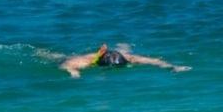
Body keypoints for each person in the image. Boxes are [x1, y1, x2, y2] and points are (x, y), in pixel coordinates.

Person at [60, 43, 190, 78]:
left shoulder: (129, 58)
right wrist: (74, 73)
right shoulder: (85, 61)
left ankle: (122, 45)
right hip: (89, 59)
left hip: (121, 55)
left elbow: (154, 61)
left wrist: (172, 67)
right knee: (58, 57)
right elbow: (67, 65)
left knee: (127, 51)